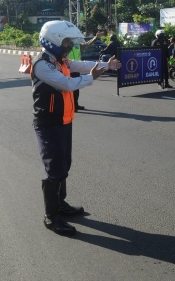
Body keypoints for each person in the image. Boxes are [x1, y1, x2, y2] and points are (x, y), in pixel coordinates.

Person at [31, 20, 121, 236]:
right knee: (54, 170)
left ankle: (60, 204)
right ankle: (51, 217)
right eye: (67, 41)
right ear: (54, 41)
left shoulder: (59, 60)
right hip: (48, 123)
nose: (70, 46)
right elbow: (68, 84)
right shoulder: (43, 64)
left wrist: (107, 65)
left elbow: (79, 65)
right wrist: (92, 77)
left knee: (64, 164)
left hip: (63, 120)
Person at [68, 31, 104, 111]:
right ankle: (70, 106)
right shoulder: (66, 46)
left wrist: (95, 37)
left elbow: (87, 44)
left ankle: (75, 104)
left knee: (76, 88)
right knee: (70, 88)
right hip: (68, 68)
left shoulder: (77, 45)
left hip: (77, 67)